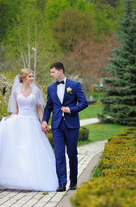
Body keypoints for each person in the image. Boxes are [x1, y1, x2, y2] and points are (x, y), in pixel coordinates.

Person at [0, 68, 58, 191]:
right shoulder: (15, 92)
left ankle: (32, 179)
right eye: (30, 76)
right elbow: (16, 110)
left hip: (32, 123)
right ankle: (15, 180)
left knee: (31, 150)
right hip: (19, 122)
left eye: (32, 76)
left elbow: (38, 109)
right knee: (18, 150)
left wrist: (43, 122)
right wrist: (11, 116)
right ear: (24, 78)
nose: (32, 78)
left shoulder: (36, 91)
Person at [41, 62, 88, 192]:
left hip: (71, 125)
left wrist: (71, 109)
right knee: (59, 155)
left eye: (53, 72)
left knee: (72, 154)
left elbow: (84, 103)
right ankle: (62, 183)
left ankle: (73, 182)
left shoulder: (74, 85)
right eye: (50, 72)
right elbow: (49, 107)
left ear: (61, 71)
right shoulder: (50, 88)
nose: (51, 74)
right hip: (56, 125)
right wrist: (45, 120)